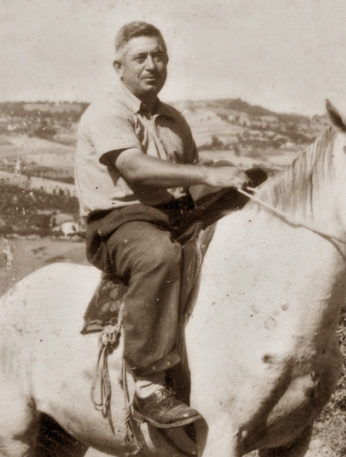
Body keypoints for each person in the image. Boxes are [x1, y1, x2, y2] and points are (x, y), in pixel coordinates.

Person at [75, 21, 250, 429]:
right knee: (160, 256)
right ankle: (148, 383)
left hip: (174, 214)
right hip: (120, 222)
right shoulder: (107, 112)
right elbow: (134, 169)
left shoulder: (173, 120)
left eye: (159, 56)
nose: (152, 64)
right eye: (141, 57)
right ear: (119, 66)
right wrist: (209, 175)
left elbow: (188, 179)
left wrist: (235, 186)